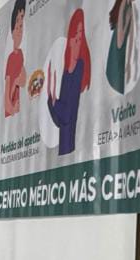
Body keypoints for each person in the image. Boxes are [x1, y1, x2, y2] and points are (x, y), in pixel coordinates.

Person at [47, 9, 90, 156]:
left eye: (80, 36)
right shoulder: (66, 72)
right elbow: (58, 120)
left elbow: (67, 115)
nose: (78, 41)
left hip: (70, 150)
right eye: (75, 36)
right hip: (63, 150)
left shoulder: (79, 68)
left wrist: (54, 102)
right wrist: (51, 98)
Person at [106, 0, 138, 94]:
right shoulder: (123, 5)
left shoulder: (129, 7)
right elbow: (119, 42)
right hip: (117, 53)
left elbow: (131, 37)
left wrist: (128, 63)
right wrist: (128, 21)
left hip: (120, 54)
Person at [4, 0, 27, 118]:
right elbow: (6, 98)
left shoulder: (20, 54)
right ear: (12, 31)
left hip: (16, 113)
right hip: (11, 113)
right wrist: (12, 109)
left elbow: (23, 80)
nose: (19, 29)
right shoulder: (11, 58)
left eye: (21, 25)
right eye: (17, 24)